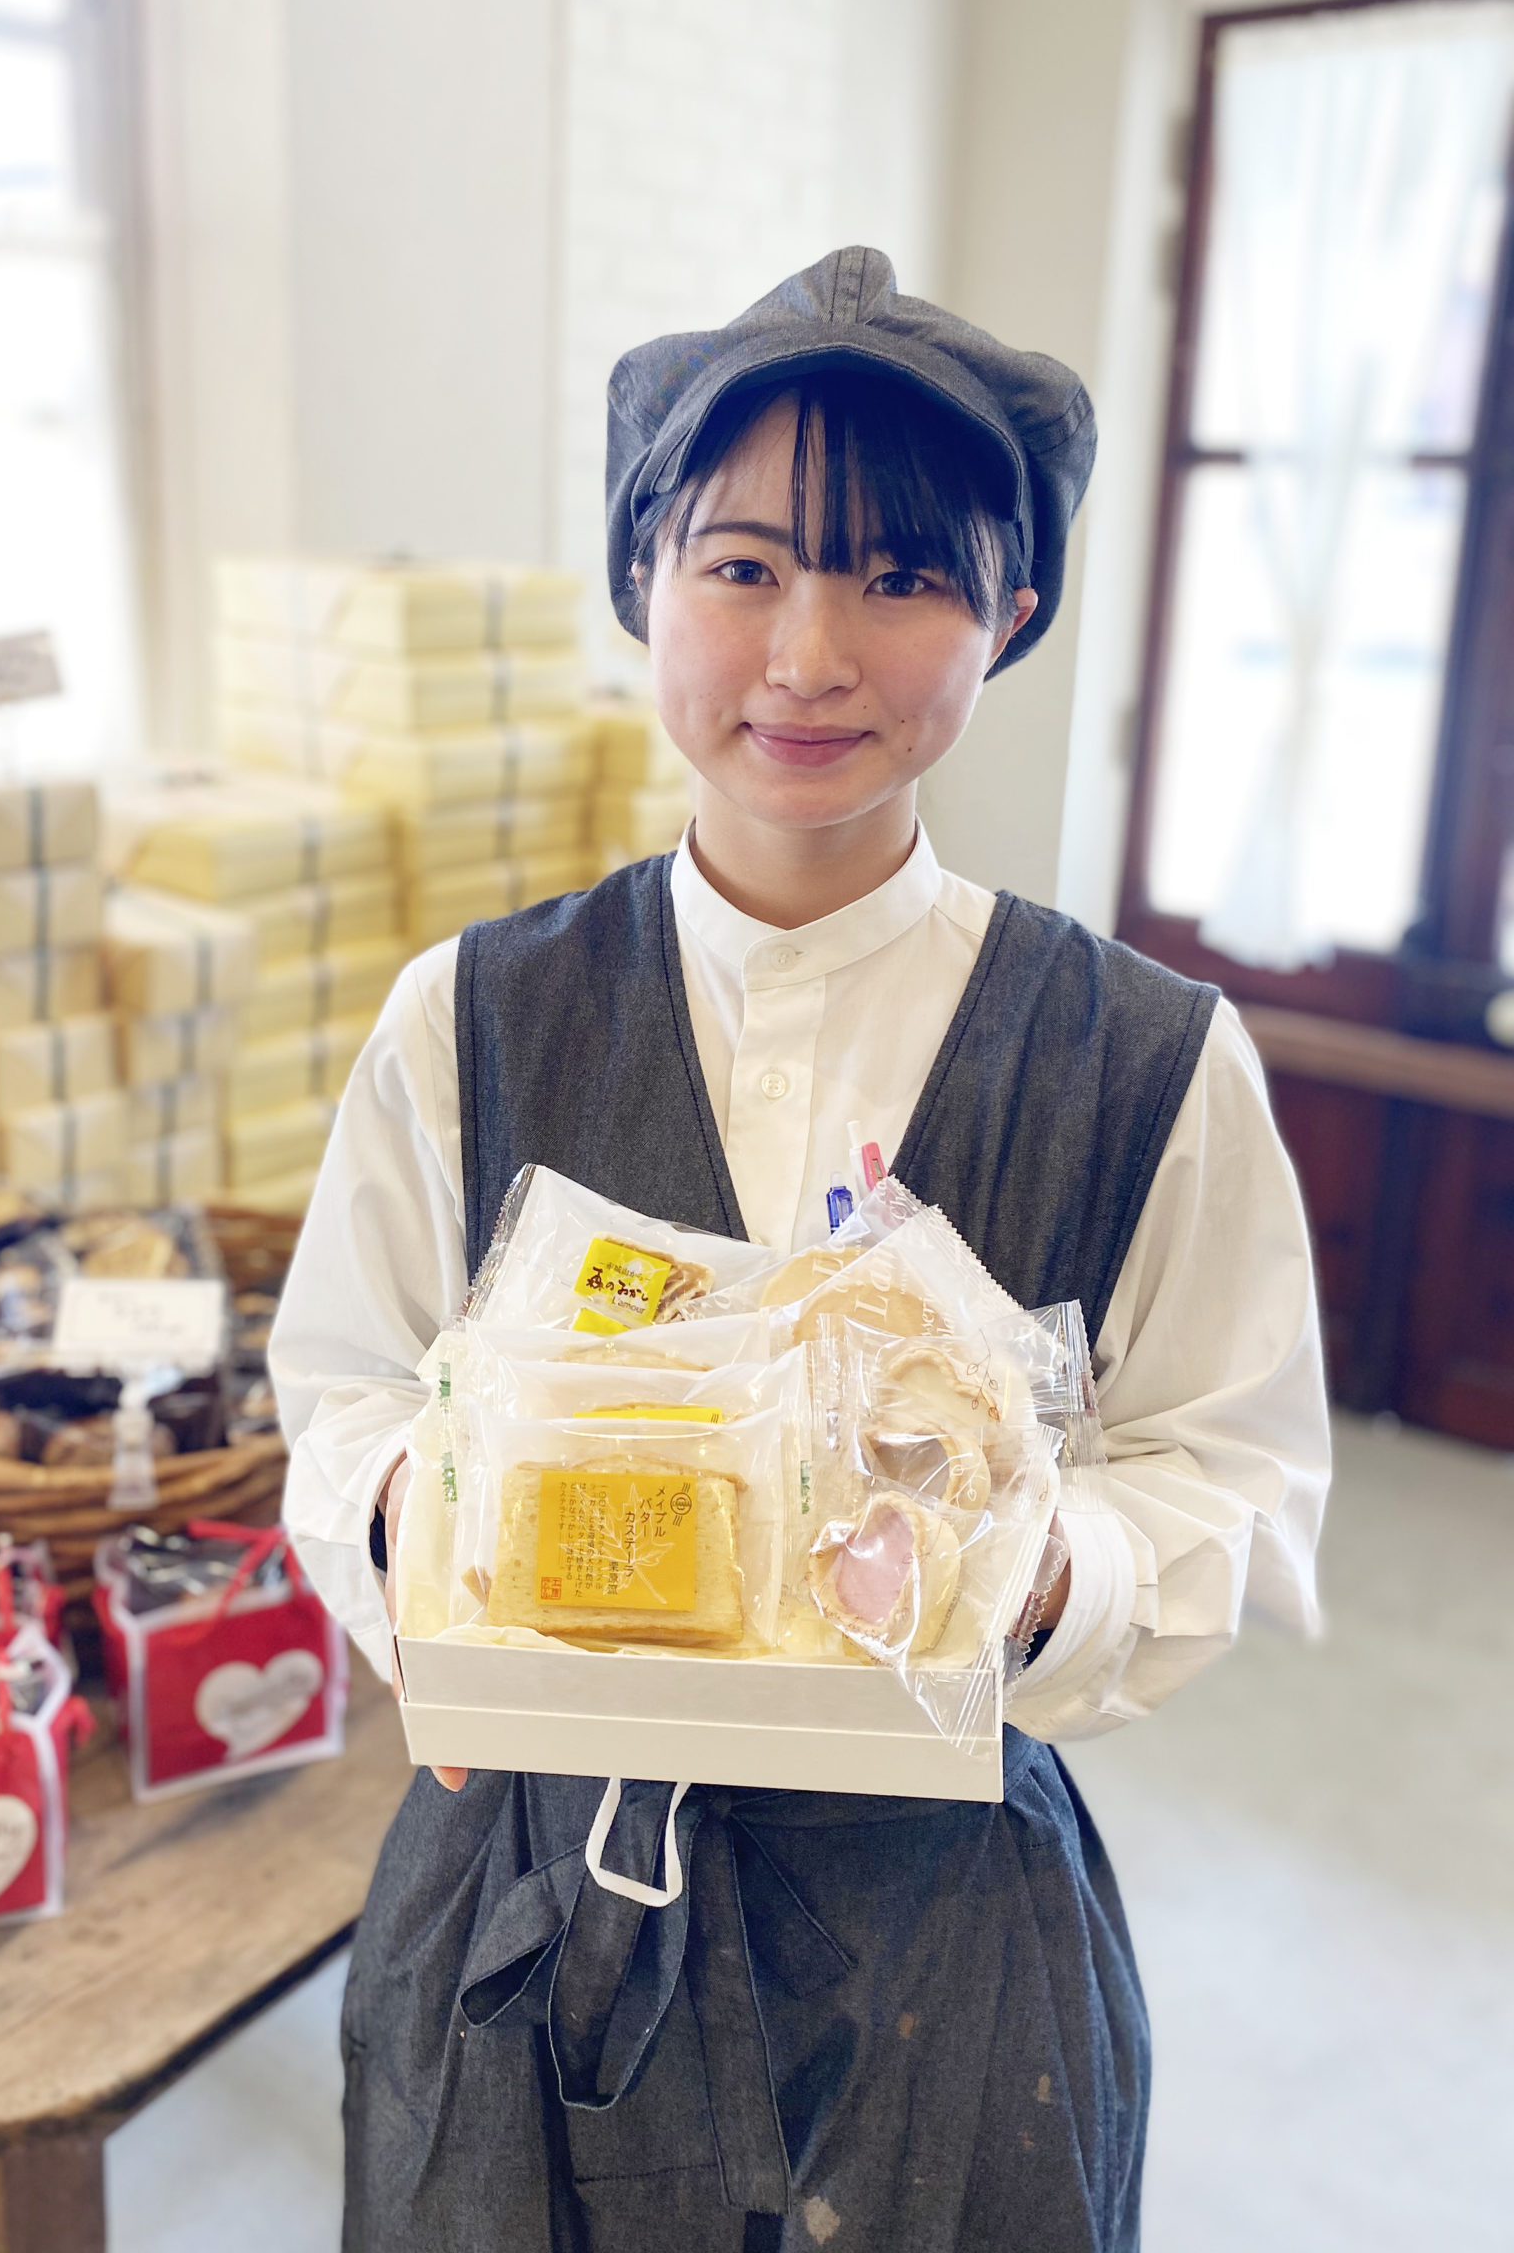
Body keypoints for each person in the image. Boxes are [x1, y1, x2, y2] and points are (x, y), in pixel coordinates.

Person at [271, 248, 1329, 2253]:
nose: (811, 652)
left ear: (1013, 611)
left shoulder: (1145, 1059)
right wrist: (428, 1516)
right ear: (641, 581)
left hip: (949, 1949)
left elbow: (1237, 1474)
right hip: (530, 1924)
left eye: (903, 578)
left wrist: (1039, 1568)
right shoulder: (469, 1017)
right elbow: (339, 1385)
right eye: (743, 564)